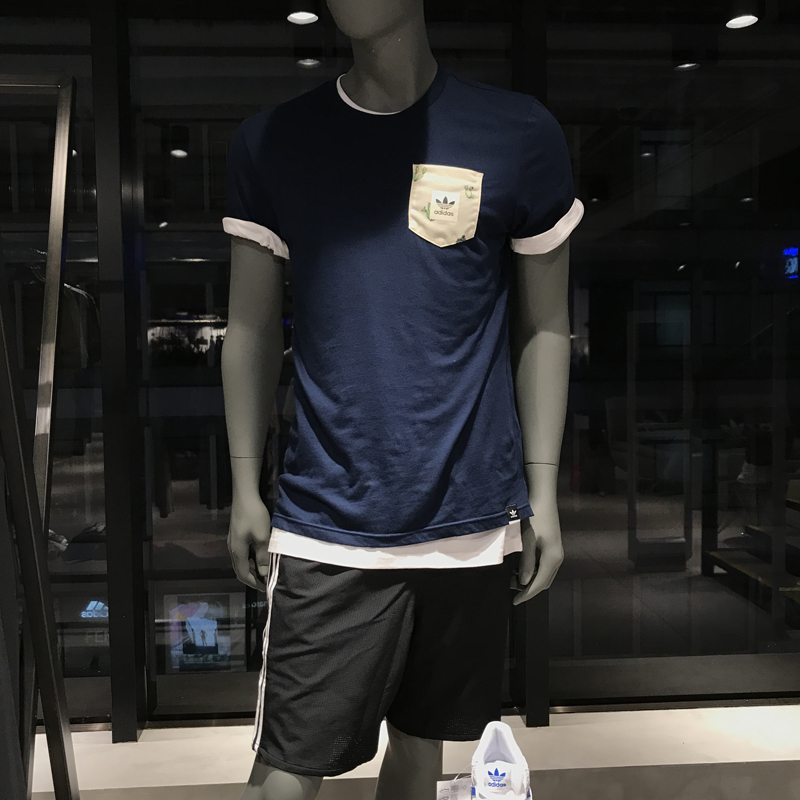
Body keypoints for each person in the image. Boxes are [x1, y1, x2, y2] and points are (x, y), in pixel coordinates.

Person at [220, 1, 583, 798]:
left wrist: (544, 492)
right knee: (288, 766)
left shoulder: (516, 133)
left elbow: (545, 328)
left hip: (472, 520)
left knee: (423, 748)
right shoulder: (276, 142)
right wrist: (245, 486)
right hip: (330, 521)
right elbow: (248, 329)